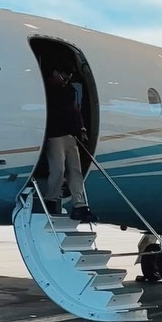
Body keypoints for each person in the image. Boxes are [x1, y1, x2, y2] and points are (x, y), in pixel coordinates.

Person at [44, 68, 94, 221]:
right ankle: (50, 200)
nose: (66, 80)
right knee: (58, 169)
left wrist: (81, 128)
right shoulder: (46, 91)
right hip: (54, 136)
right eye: (64, 76)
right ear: (54, 73)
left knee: (75, 170)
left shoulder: (68, 90)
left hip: (69, 135)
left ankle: (80, 204)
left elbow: (75, 109)